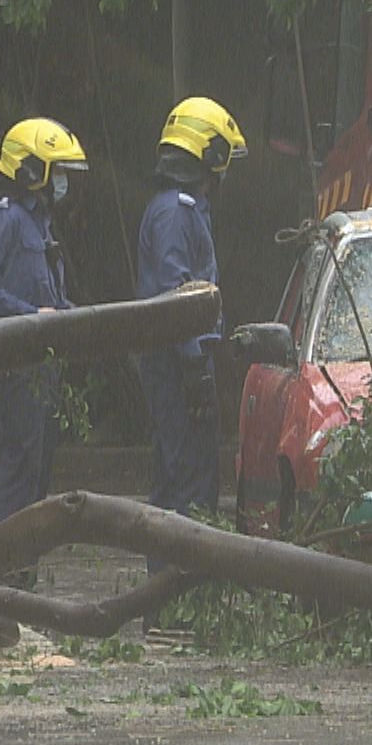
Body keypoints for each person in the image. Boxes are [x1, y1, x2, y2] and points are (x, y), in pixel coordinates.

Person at [0, 117, 89, 536]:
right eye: (58, 171)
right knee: (15, 471)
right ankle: (1, 565)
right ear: (33, 170)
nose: (64, 182)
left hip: (40, 368)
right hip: (9, 369)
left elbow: (48, 294)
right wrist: (29, 317)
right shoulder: (4, 218)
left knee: (36, 472)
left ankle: (23, 564)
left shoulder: (38, 221)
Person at [134, 98, 245, 532]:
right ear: (209, 153)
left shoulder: (185, 209)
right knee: (188, 476)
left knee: (183, 469)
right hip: (176, 361)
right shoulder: (175, 213)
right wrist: (194, 363)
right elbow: (176, 295)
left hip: (182, 358)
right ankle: (180, 567)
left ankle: (172, 567)